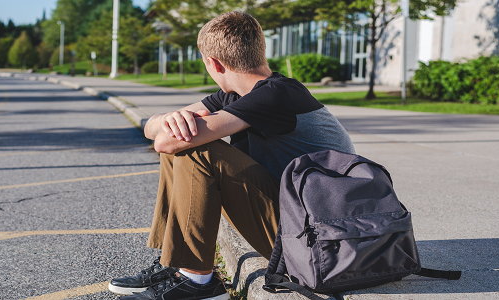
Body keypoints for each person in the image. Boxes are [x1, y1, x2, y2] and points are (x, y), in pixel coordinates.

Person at [108, 11, 356, 300]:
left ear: (213, 63)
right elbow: (156, 131)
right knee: (183, 144)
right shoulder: (237, 94)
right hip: (303, 228)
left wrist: (171, 127)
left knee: (196, 150)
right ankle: (177, 266)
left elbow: (167, 141)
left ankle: (197, 282)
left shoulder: (276, 95)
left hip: (320, 243)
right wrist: (168, 117)